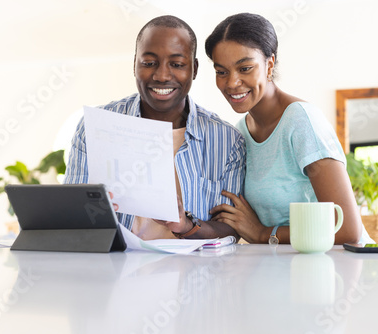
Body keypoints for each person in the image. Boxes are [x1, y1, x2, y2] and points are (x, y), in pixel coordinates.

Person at [64, 15, 246, 240]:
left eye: (177, 64)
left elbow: (231, 230)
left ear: (195, 69)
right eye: (149, 63)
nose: (161, 76)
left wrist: (186, 225)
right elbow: (71, 219)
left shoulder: (227, 140)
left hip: (194, 273)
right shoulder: (94, 127)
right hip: (117, 270)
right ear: (134, 64)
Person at [205, 13, 372, 244]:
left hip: (340, 269)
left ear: (269, 64)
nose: (232, 82)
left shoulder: (301, 120)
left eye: (245, 68)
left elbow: (346, 229)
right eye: (221, 72)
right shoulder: (240, 133)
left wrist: (265, 233)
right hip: (289, 270)